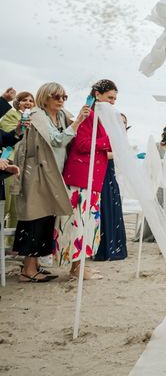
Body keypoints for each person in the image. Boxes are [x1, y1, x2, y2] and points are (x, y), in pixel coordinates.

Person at [12, 82, 90, 282]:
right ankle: (28, 270)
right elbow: (56, 140)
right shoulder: (37, 115)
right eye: (57, 97)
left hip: (53, 174)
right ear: (45, 97)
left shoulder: (62, 115)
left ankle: (35, 265)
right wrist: (77, 122)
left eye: (64, 97)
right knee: (35, 219)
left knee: (47, 220)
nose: (61, 100)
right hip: (37, 175)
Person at [59, 79, 117, 279]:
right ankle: (76, 268)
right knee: (79, 223)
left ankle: (80, 266)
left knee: (88, 223)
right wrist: (111, 140)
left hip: (93, 180)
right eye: (110, 97)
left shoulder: (100, 118)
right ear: (97, 95)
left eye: (115, 99)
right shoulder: (88, 115)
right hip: (81, 178)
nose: (112, 102)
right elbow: (82, 144)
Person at [94, 88, 128, 262]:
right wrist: (118, 153)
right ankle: (104, 248)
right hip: (101, 171)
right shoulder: (95, 123)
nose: (113, 101)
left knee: (113, 205)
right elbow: (97, 151)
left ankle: (114, 246)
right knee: (104, 206)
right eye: (110, 98)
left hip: (111, 172)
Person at [0, 91, 34, 249]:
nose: (28, 103)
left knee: (17, 206)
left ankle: (12, 244)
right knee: (5, 204)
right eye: (24, 100)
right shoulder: (10, 115)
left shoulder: (34, 118)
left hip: (25, 166)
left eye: (31, 100)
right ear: (17, 102)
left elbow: (13, 135)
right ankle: (4, 243)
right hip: (8, 163)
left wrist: (20, 130)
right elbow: (7, 139)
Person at [135, 124, 166, 242]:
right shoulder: (156, 146)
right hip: (157, 182)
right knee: (157, 206)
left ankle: (165, 233)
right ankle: (150, 234)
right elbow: (149, 163)